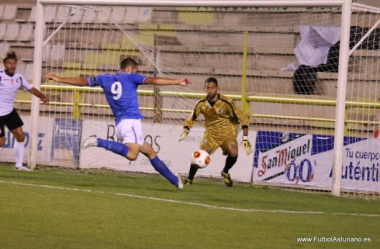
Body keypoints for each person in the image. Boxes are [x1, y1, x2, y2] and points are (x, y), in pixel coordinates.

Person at [46, 58, 191, 189]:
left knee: (150, 151)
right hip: (131, 122)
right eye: (135, 71)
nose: (136, 73)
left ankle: (175, 181)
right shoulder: (131, 77)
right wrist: (176, 81)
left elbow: (83, 82)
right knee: (133, 155)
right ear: (129, 69)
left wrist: (59, 79)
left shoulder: (104, 78)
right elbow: (152, 80)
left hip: (120, 125)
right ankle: (99, 141)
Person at [179, 77, 252, 187]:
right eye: (208, 88)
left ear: (217, 89)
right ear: (205, 89)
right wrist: (186, 129)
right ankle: (189, 179)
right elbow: (192, 117)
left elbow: (243, 118)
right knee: (200, 154)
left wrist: (245, 138)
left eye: (212, 88)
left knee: (234, 152)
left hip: (228, 134)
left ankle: (225, 172)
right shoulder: (202, 104)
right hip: (211, 135)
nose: (210, 90)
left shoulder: (227, 102)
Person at [0, 51, 49, 171]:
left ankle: (19, 165)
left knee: (21, 136)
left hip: (9, 111)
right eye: (9, 63)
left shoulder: (19, 77)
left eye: (14, 63)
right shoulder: (0, 75)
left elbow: (31, 88)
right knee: (1, 141)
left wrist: (42, 96)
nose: (12, 65)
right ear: (5, 64)